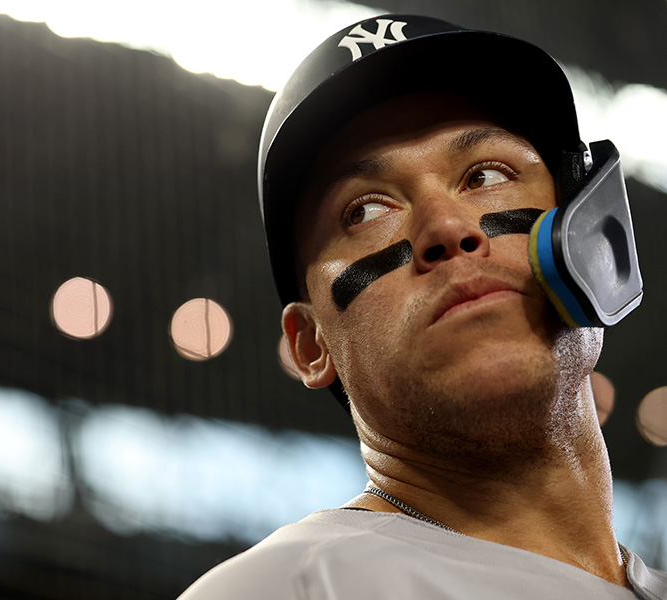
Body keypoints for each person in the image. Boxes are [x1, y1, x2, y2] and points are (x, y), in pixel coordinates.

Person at [178, 14, 667, 599]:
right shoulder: (283, 589)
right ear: (311, 344)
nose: (446, 228)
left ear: (596, 234)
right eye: (365, 210)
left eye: (485, 175)